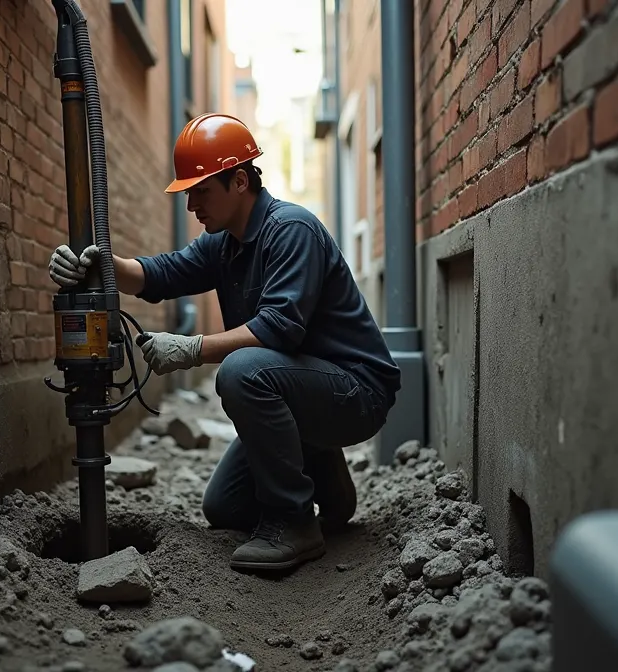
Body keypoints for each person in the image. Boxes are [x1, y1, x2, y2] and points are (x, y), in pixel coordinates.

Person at [47, 112, 400, 571]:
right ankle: (324, 476)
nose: (192, 205)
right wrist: (102, 267)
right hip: (310, 390)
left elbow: (279, 328)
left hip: (357, 393)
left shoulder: (291, 229)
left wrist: (191, 349)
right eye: (189, 193)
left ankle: (294, 521)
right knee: (224, 507)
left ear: (238, 181)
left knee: (240, 372)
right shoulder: (225, 242)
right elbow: (161, 273)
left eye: (200, 191)